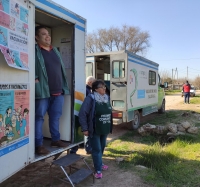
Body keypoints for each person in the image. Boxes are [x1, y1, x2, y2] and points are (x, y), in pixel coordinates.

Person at [35, 26, 70, 155]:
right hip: (43, 92)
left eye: (48, 34)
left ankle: (55, 140)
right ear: (36, 37)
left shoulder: (55, 50)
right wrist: (34, 79)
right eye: (43, 34)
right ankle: (38, 145)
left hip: (58, 92)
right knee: (39, 118)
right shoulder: (34, 51)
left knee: (55, 118)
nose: (47, 36)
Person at [79, 79, 113, 179]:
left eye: (104, 87)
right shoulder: (91, 98)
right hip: (94, 129)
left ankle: (100, 163)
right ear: (96, 89)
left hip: (105, 128)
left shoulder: (107, 97)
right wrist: (85, 128)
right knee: (96, 149)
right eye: (102, 87)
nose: (104, 89)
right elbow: (82, 114)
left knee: (102, 147)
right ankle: (98, 170)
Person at [70, 76, 95, 154]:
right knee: (85, 131)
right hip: (83, 114)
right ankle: (87, 148)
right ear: (90, 82)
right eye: (94, 82)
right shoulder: (87, 91)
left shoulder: (85, 89)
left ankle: (79, 148)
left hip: (79, 113)